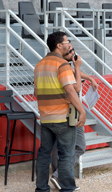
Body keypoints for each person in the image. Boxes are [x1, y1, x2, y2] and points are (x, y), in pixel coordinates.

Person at [34, 32, 86, 192]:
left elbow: (36, 93)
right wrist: (82, 111)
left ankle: (41, 188)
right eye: (67, 42)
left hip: (45, 118)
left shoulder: (39, 65)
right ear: (59, 45)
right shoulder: (62, 65)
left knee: (44, 154)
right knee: (66, 154)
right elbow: (71, 90)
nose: (69, 44)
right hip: (62, 118)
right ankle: (67, 188)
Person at [50, 54, 98, 190]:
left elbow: (73, 72)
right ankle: (59, 176)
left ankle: (57, 176)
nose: (73, 54)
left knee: (63, 146)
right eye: (70, 50)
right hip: (70, 111)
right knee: (77, 146)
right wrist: (77, 66)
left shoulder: (63, 66)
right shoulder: (61, 66)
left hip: (64, 110)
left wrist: (89, 78)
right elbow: (76, 88)